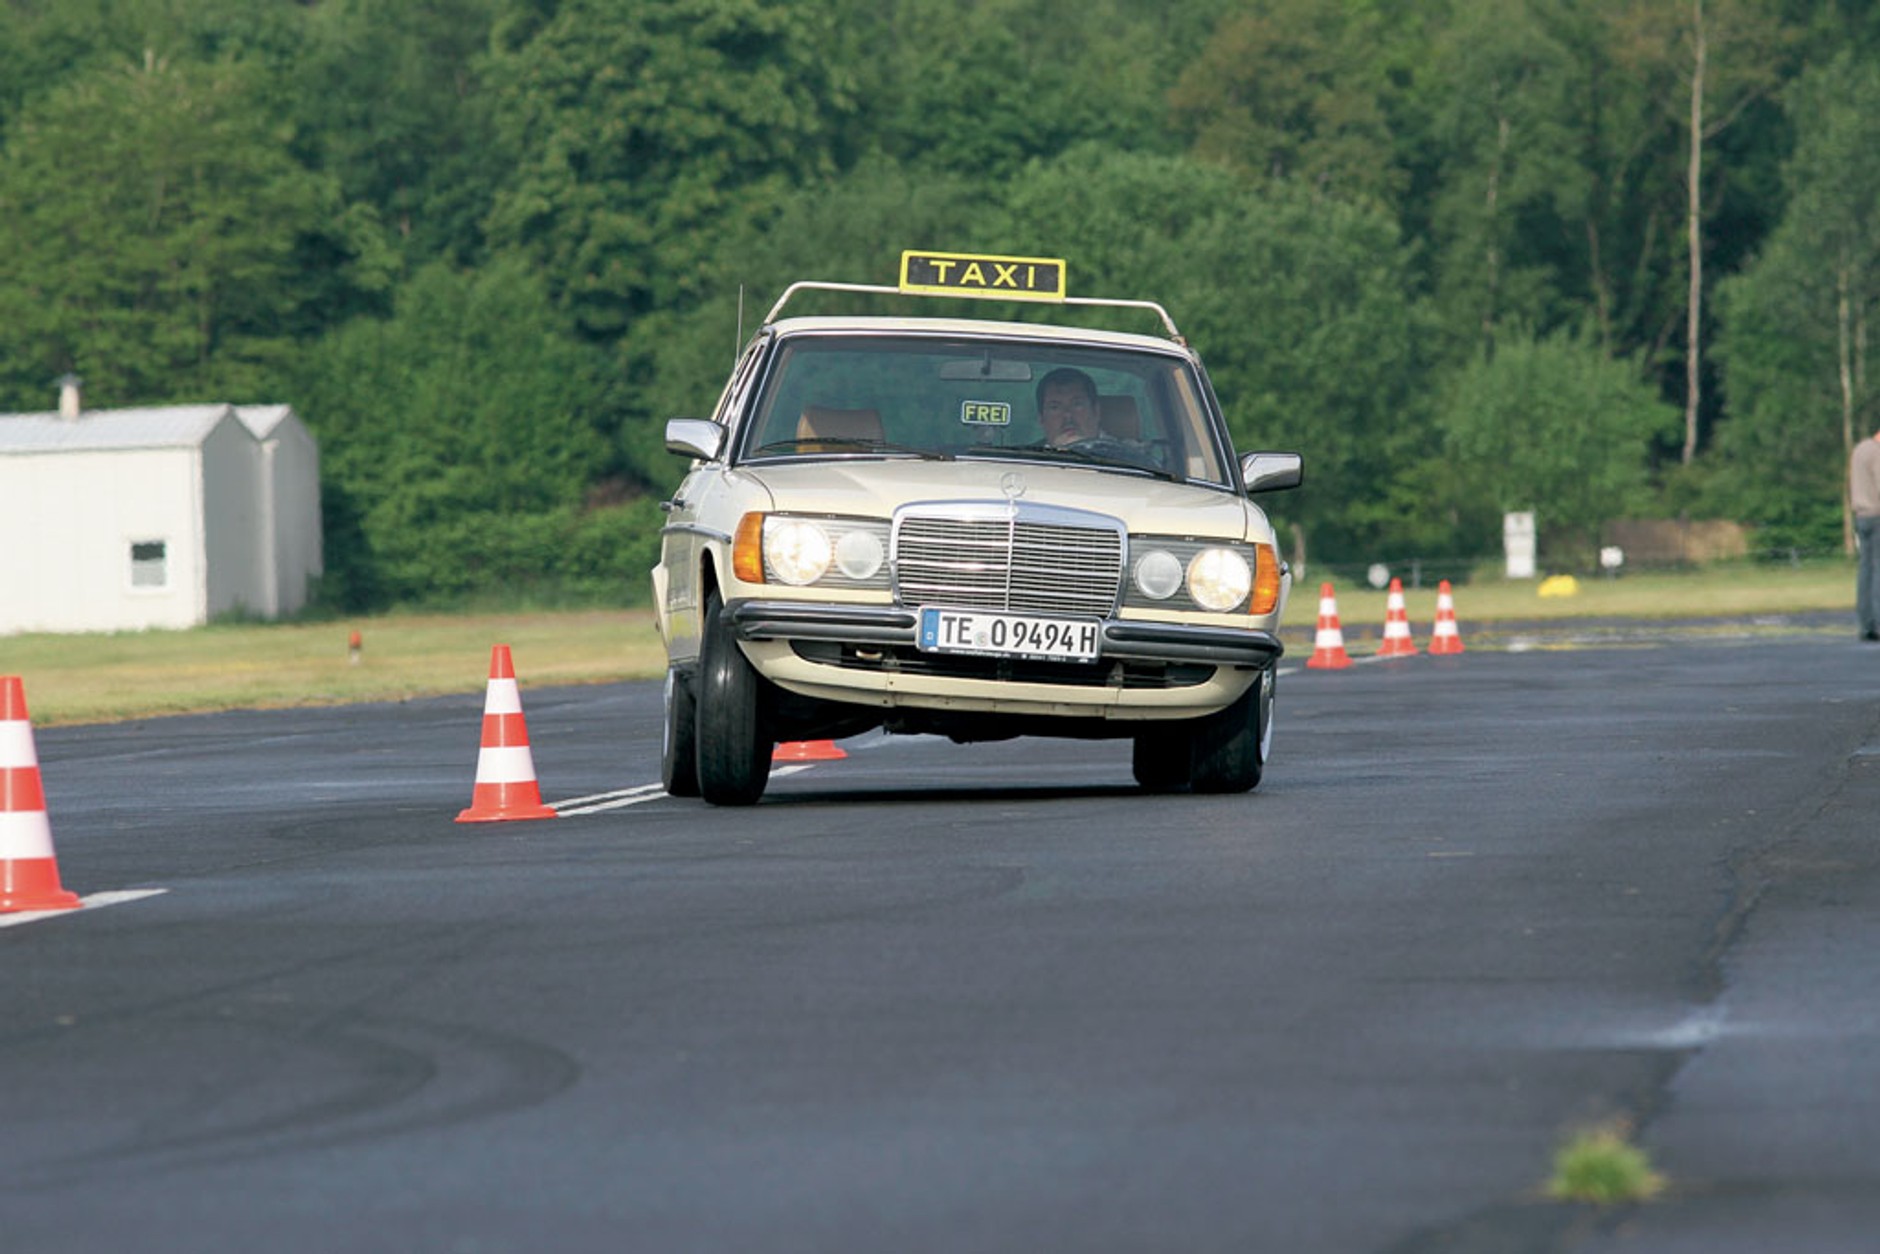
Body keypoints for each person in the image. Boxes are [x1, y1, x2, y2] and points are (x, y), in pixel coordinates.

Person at [1853, 426, 1880, 641]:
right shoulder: (1877, 453)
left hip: (1861, 515)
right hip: (1878, 514)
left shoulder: (1859, 449)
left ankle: (1866, 623)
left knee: (1865, 569)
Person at [1036, 367, 1101, 447]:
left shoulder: (1118, 456)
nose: (1068, 415)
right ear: (1041, 419)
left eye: (1077, 404)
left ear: (1096, 412)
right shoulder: (1026, 457)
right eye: (1055, 408)